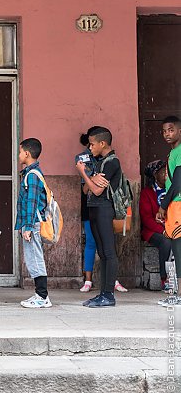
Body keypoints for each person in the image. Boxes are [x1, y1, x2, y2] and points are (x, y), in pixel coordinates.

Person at [77, 126, 123, 308]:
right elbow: (85, 189)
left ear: (103, 143)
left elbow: (96, 189)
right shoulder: (99, 161)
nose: (90, 148)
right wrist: (91, 178)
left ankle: (109, 295)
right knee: (101, 252)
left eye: (93, 144)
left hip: (105, 209)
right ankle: (102, 293)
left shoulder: (112, 162)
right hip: (94, 208)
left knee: (109, 251)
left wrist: (84, 173)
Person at [15, 138, 51, 309]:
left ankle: (42, 296)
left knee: (35, 259)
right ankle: (39, 294)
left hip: (33, 224)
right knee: (33, 258)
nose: (19, 155)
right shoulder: (31, 173)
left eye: (20, 152)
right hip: (31, 223)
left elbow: (32, 203)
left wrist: (28, 227)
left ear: (27, 154)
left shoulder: (32, 176)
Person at [157, 116, 181, 307]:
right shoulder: (172, 153)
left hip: (177, 204)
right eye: (165, 131)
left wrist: (163, 205)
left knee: (178, 250)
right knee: (176, 249)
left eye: (171, 130)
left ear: (180, 131)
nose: (167, 134)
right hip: (173, 205)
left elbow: (178, 183)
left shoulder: (180, 152)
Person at [140, 160, 173, 290]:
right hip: (153, 230)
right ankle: (164, 279)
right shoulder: (147, 193)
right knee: (166, 242)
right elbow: (147, 219)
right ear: (155, 175)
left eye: (167, 172)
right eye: (163, 172)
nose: (166, 175)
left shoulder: (172, 190)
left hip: (173, 227)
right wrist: (163, 230)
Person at [75, 128, 97, 292]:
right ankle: (88, 280)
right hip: (89, 204)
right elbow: (85, 189)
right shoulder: (83, 158)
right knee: (91, 241)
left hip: (106, 205)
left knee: (108, 244)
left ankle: (113, 279)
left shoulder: (109, 158)